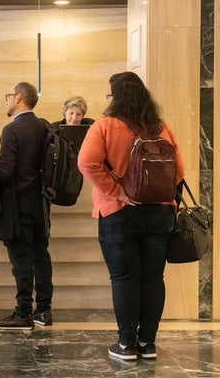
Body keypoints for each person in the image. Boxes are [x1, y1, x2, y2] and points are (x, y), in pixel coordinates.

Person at [77, 71, 185, 361]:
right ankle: (147, 344)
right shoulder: (161, 127)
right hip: (161, 213)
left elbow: (87, 162)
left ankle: (126, 344)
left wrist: (117, 191)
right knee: (152, 278)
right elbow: (180, 170)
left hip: (119, 213)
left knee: (124, 278)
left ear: (117, 97)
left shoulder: (105, 126)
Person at [0, 82, 53, 330]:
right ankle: (44, 311)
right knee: (41, 255)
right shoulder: (44, 127)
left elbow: (6, 172)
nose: (6, 100)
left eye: (8, 96)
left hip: (18, 204)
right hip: (40, 202)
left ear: (18, 98)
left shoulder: (11, 130)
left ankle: (23, 312)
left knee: (21, 259)